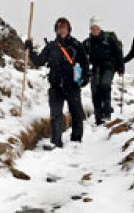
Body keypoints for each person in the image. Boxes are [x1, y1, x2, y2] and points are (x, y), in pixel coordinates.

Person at [25, 17, 90, 148]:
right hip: (56, 87)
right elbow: (39, 61)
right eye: (59, 28)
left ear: (69, 29)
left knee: (76, 112)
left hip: (72, 85)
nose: (62, 30)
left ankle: (76, 141)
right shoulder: (51, 47)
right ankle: (56, 142)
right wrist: (30, 50)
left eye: (64, 27)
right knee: (56, 114)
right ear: (56, 30)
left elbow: (85, 63)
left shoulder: (76, 45)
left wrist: (85, 78)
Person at [83, 16, 123, 125]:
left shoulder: (109, 39)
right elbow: (80, 55)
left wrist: (120, 67)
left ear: (100, 28)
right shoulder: (87, 43)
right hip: (96, 68)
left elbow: (118, 53)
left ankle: (107, 113)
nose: (95, 30)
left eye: (96, 28)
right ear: (90, 29)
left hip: (108, 66)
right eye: (92, 28)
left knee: (105, 86)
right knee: (95, 91)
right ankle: (98, 118)